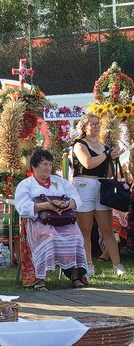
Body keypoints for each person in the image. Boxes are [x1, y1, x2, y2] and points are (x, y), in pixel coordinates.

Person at [14, 150, 88, 290]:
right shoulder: (26, 184)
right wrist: (47, 206)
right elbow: (23, 207)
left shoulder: (59, 181)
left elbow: (76, 198)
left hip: (62, 220)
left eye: (50, 164)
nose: (48, 167)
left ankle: (75, 275)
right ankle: (39, 278)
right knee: (50, 237)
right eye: (44, 164)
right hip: (38, 222)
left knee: (76, 236)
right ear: (34, 166)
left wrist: (67, 204)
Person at [71, 113, 126, 277]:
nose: (96, 126)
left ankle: (117, 265)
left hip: (101, 184)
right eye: (92, 124)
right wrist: (107, 155)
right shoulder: (79, 144)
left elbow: (108, 172)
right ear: (84, 127)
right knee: (85, 229)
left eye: (97, 124)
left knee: (107, 228)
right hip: (83, 184)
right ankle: (88, 264)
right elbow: (87, 163)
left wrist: (112, 158)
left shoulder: (103, 146)